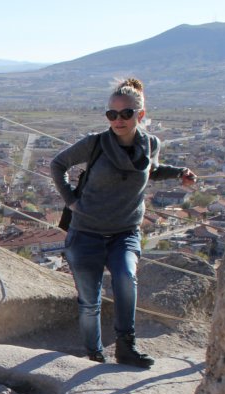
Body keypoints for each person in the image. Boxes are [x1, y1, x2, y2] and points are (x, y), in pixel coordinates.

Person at [51, 78, 196, 368]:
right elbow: (58, 164)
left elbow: (148, 170)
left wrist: (179, 172)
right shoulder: (95, 144)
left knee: (126, 278)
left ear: (140, 115)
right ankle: (94, 354)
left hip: (125, 230)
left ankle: (126, 346)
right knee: (90, 300)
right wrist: (71, 201)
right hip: (86, 231)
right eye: (112, 114)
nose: (118, 120)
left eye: (126, 113)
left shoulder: (151, 144)